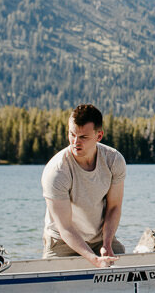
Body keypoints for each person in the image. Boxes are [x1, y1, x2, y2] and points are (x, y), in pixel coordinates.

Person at [41, 103, 125, 267]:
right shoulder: (57, 171)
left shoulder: (113, 160)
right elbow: (65, 227)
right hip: (62, 241)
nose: (75, 142)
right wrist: (94, 260)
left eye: (83, 137)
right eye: (72, 134)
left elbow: (114, 207)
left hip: (99, 237)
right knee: (57, 288)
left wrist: (107, 244)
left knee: (123, 271)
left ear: (98, 136)